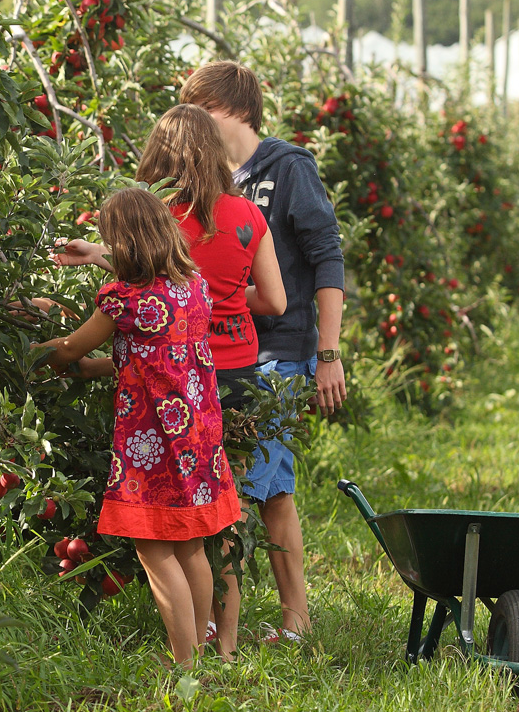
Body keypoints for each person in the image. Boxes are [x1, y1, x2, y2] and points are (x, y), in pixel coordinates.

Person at [54, 104, 286, 655]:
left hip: (153, 430)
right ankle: (217, 647)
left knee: (156, 545)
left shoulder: (133, 279)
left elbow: (83, 337)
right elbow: (270, 301)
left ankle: (183, 662)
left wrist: (41, 350)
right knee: (204, 538)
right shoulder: (213, 263)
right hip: (209, 405)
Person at [35, 187, 243, 668]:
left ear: (123, 243)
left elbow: (69, 349)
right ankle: (205, 651)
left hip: (153, 441)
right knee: (191, 546)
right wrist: (108, 364)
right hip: (198, 436)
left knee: (153, 550)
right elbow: (161, 352)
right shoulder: (191, 286)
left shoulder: (124, 299)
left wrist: (25, 349)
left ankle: (185, 663)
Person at [182, 60, 347, 649]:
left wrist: (327, 351)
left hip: (280, 350)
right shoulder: (205, 181)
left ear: (236, 111)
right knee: (264, 486)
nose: (195, 122)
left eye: (203, 109)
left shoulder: (288, 168)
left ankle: (260, 623)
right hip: (222, 353)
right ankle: (276, 618)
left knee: (254, 484)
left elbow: (327, 255)